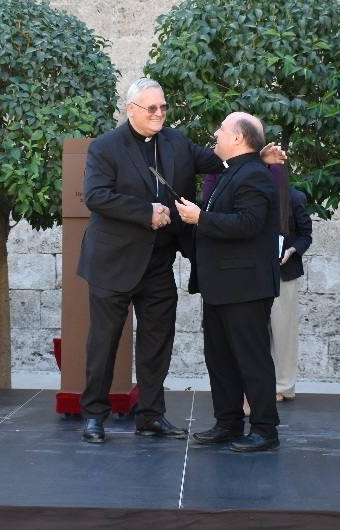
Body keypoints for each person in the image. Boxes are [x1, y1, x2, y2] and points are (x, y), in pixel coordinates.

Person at [77, 77, 283, 444]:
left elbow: (222, 161)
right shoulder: (106, 147)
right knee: (104, 342)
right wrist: (146, 212)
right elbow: (95, 196)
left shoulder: (176, 142)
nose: (160, 114)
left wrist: (256, 158)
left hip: (158, 262)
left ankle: (151, 416)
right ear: (131, 110)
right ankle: (94, 415)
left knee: (158, 342)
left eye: (163, 107)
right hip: (113, 261)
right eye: (151, 108)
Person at [176, 112, 281, 452]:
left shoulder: (254, 175)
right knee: (220, 359)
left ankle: (265, 429)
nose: (216, 135)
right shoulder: (231, 173)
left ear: (238, 138)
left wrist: (200, 217)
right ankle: (228, 422)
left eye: (221, 130)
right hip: (221, 286)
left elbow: (248, 224)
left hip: (246, 288)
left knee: (252, 360)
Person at [273, 183, 313, 402]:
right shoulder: (247, 194)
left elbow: (305, 235)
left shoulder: (294, 197)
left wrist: (291, 250)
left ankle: (283, 386)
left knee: (283, 332)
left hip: (283, 274)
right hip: (252, 274)